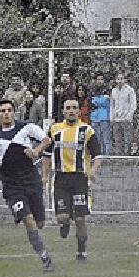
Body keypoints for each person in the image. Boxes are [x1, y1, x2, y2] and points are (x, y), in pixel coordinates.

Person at [0, 100, 56, 272]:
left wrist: (36, 151)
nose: (6, 113)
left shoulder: (26, 127)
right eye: (3, 111)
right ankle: (45, 258)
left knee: (40, 223)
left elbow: (46, 140)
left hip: (31, 181)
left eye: (9, 110)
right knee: (28, 220)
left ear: (14, 113)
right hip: (12, 186)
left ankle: (40, 246)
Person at [42, 98, 103, 262]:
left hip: (80, 179)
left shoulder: (87, 130)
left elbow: (97, 156)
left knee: (80, 219)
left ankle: (81, 252)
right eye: (68, 108)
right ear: (63, 111)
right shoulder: (54, 130)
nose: (71, 111)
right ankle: (64, 223)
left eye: (74, 108)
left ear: (79, 111)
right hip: (61, 178)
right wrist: (44, 175)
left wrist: (92, 170)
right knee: (62, 217)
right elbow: (46, 155)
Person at [109, 73, 137, 155]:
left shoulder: (130, 90)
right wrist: (112, 117)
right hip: (116, 119)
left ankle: (127, 155)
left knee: (127, 139)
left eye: (121, 78)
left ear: (125, 80)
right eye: (118, 79)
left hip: (126, 119)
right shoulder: (113, 90)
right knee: (117, 139)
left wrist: (129, 116)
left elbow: (133, 104)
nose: (120, 80)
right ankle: (119, 155)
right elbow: (112, 105)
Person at [89, 74, 112, 155]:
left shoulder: (107, 90)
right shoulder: (92, 90)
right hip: (94, 117)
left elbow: (106, 102)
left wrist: (97, 102)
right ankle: (99, 155)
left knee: (106, 138)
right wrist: (99, 101)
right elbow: (91, 103)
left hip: (104, 117)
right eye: (98, 79)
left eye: (101, 79)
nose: (100, 81)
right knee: (97, 138)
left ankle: (107, 156)